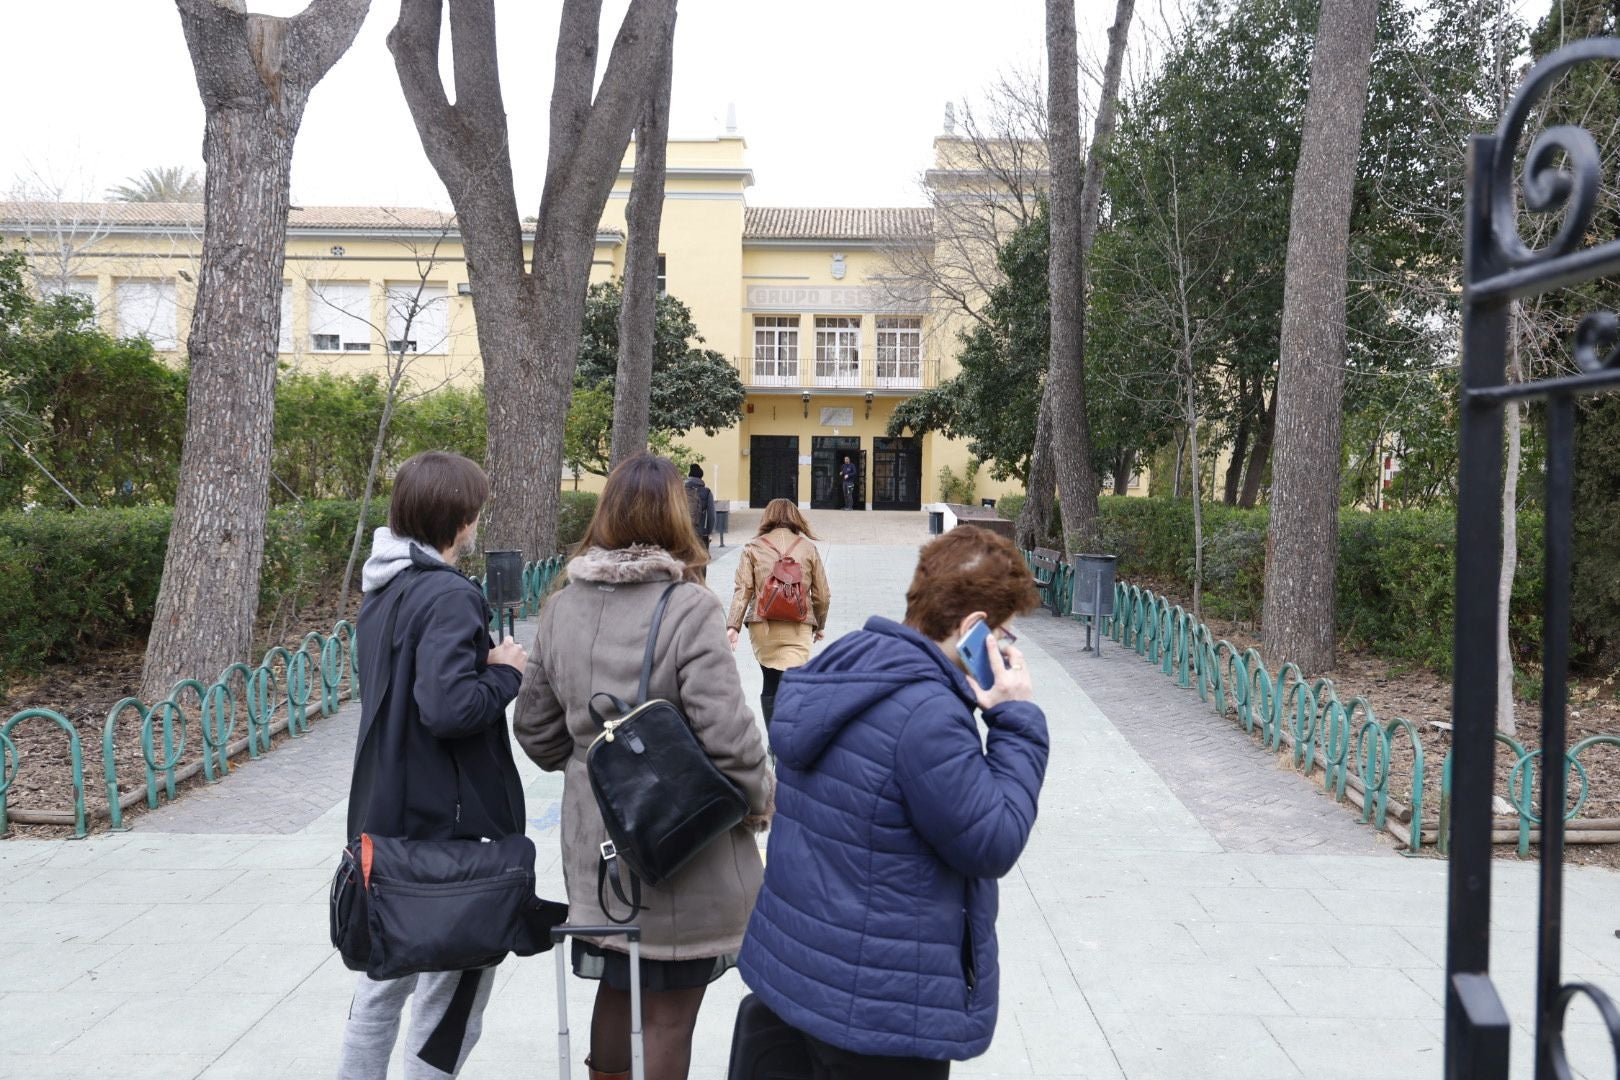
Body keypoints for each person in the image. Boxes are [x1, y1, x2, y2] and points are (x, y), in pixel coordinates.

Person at [737, 525, 1049, 1078]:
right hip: (879, 1012)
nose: (1006, 650)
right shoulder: (927, 715)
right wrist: (1015, 716)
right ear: (973, 628)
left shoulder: (850, 663)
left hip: (796, 978)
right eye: (1005, 635)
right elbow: (992, 841)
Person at [514, 453, 772, 1080]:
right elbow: (730, 740)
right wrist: (760, 801)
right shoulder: (689, 607)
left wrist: (588, 762)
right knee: (669, 1010)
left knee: (619, 986)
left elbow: (535, 729)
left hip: (594, 845)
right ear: (676, 516)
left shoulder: (560, 607)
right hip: (679, 846)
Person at [337, 451, 529, 1080]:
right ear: (458, 517)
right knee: (453, 991)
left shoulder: (383, 589)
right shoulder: (449, 596)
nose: (478, 521)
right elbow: (448, 709)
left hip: (383, 817)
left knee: (382, 979)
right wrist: (504, 675)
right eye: (474, 509)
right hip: (447, 828)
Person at [725, 498, 830, 728]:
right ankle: (789, 737)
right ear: (796, 518)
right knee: (793, 683)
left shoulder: (753, 547)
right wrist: (819, 625)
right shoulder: (808, 548)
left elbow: (743, 589)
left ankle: (774, 741)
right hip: (799, 625)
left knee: (770, 680)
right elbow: (822, 595)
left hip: (763, 625)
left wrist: (733, 626)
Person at [683, 463, 715, 577]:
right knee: (701, 562)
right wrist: (708, 531)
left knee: (685, 561)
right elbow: (711, 515)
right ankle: (700, 586)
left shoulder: (680, 490)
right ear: (701, 477)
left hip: (683, 532)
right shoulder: (706, 492)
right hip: (700, 533)